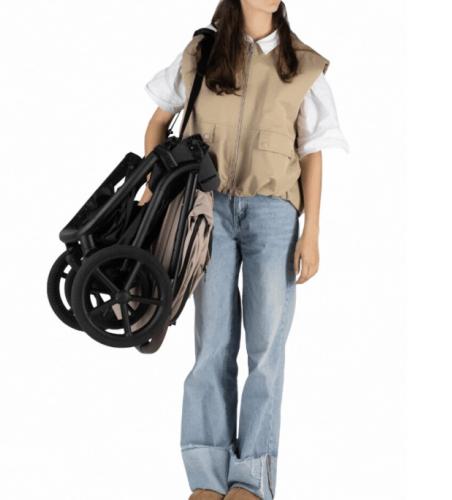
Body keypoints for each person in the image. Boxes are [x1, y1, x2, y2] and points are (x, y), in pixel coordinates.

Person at [141, 1, 349, 499]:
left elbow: (312, 153)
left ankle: (251, 478)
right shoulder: (202, 52)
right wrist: (155, 185)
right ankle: (207, 476)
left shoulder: (303, 64)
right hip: (205, 212)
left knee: (265, 349)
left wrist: (312, 231)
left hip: (274, 215)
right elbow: (158, 122)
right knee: (212, 343)